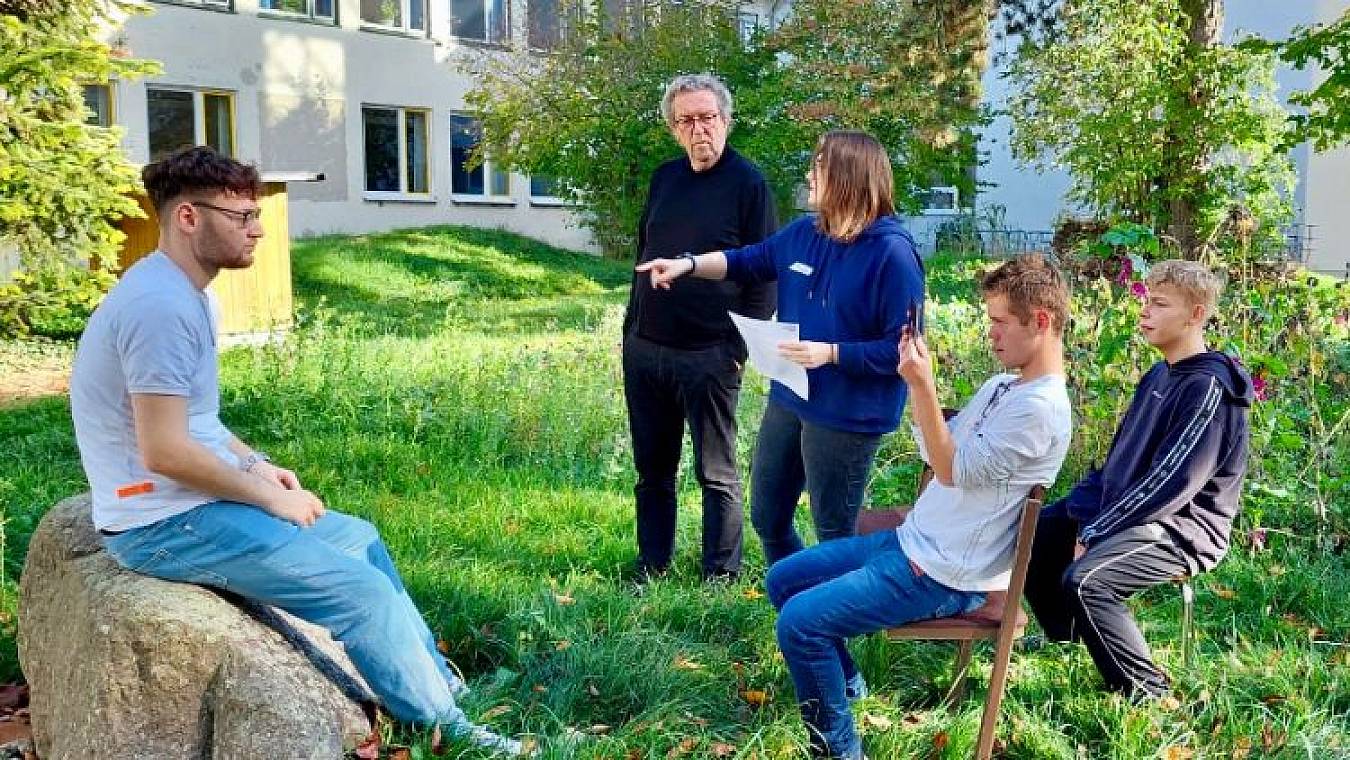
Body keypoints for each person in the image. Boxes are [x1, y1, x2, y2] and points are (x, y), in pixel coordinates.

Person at [69, 146, 528, 756]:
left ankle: (438, 688)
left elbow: (198, 421)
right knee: (359, 593)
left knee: (357, 536)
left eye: (257, 214)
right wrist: (265, 499)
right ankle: (453, 734)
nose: (258, 228)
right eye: (241, 217)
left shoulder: (188, 293)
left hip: (189, 502)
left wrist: (257, 464)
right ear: (187, 217)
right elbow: (165, 451)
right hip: (160, 522)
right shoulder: (158, 306)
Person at [757, 254, 1074, 760]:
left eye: (998, 322)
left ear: (1041, 321)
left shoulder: (1040, 411)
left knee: (799, 623)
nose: (990, 334)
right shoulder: (1002, 387)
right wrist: (930, 413)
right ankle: (847, 686)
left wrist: (922, 387)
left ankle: (838, 751)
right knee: (784, 579)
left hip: (943, 574)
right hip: (913, 542)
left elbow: (949, 468)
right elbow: (939, 448)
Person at [637, 130, 922, 566]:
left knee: (833, 531)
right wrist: (689, 264)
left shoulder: (892, 254)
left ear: (846, 177)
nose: (809, 176)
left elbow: (902, 352)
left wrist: (833, 353)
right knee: (768, 515)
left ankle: (834, 625)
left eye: (818, 168)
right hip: (791, 394)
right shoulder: (805, 232)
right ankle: (795, 602)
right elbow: (746, 260)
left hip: (847, 412)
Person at [1024, 260, 1252, 701]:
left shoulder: (1207, 388)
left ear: (1196, 314)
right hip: (1137, 511)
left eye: (1160, 304)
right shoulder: (1159, 374)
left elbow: (1171, 482)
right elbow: (1117, 466)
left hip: (1182, 529)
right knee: (1032, 533)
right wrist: (1081, 512)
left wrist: (1096, 531)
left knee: (1088, 581)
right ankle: (1076, 639)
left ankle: (1147, 694)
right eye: (1147, 300)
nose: (1145, 311)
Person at [623, 73, 777, 581]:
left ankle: (720, 575)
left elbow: (764, 271)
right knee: (653, 472)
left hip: (710, 353)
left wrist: (739, 348)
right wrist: (631, 328)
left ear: (726, 120)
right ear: (673, 128)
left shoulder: (749, 184)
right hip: (647, 349)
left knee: (717, 473)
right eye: (686, 120)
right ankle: (652, 567)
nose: (699, 130)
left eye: (707, 117)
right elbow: (644, 251)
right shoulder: (664, 179)